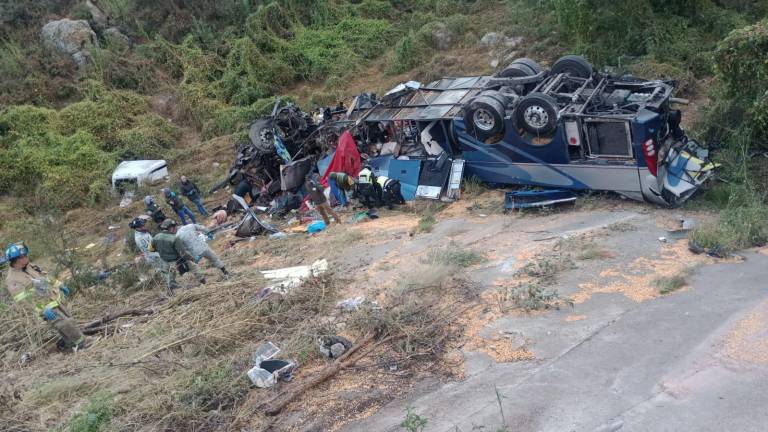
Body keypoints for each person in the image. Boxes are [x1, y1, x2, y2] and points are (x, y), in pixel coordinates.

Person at [4, 242, 86, 351]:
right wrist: (42, 310)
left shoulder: (30, 266)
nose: (27, 257)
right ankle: (82, 342)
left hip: (54, 299)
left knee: (67, 320)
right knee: (64, 323)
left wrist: (59, 285)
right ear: (17, 259)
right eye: (24, 256)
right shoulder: (12, 279)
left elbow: (45, 277)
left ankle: (69, 344)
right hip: (44, 307)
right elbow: (23, 300)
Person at [150, 219, 205, 293]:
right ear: (171, 228)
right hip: (176, 260)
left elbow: (151, 249)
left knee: (168, 277)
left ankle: (170, 293)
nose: (176, 229)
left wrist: (162, 251)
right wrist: (192, 258)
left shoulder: (156, 237)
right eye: (175, 227)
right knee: (194, 267)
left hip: (164, 260)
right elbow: (183, 254)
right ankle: (203, 282)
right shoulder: (175, 238)